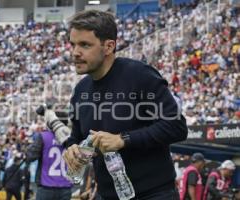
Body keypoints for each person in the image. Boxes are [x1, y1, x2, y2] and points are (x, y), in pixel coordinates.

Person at [63, 10, 188, 200]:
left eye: (85, 45)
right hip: (107, 195)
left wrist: (123, 139)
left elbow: (176, 127)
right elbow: (77, 137)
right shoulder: (80, 91)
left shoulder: (140, 75)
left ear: (109, 46)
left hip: (154, 194)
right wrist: (72, 149)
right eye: (73, 45)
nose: (75, 52)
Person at [26, 117, 73, 200]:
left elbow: (30, 156)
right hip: (65, 186)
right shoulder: (72, 138)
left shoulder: (43, 136)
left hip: (46, 186)